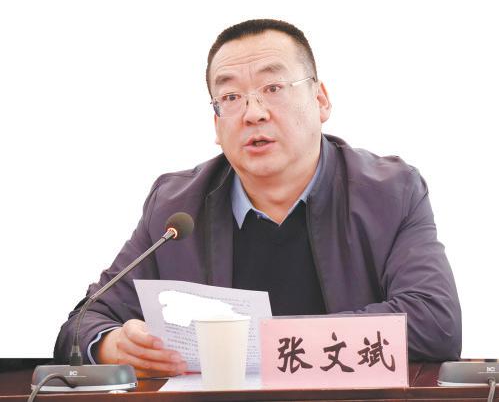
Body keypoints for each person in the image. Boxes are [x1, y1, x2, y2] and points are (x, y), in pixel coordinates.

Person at [54, 19, 462, 378]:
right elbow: (83, 322)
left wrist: (259, 345)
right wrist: (113, 345)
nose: (254, 113)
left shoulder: (389, 192)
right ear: (217, 123)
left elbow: (435, 325)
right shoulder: (176, 207)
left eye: (273, 88)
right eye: (231, 98)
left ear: (321, 100)